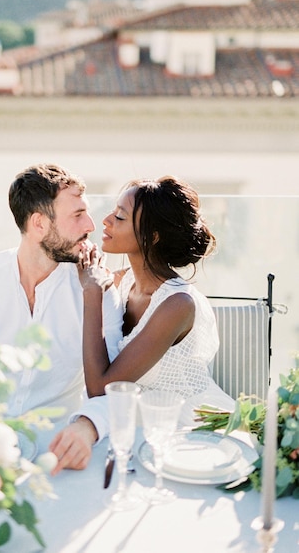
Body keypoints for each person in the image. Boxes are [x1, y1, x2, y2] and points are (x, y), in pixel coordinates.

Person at [0, 163, 123, 473]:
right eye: (77, 215)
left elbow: (118, 387)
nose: (90, 224)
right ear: (39, 224)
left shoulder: (98, 288)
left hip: (59, 456)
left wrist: (88, 427)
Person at [79, 175, 234, 425]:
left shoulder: (177, 305)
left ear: (152, 237)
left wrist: (92, 292)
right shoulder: (124, 282)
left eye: (119, 217)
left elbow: (100, 388)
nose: (106, 221)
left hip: (190, 425)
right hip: (140, 419)